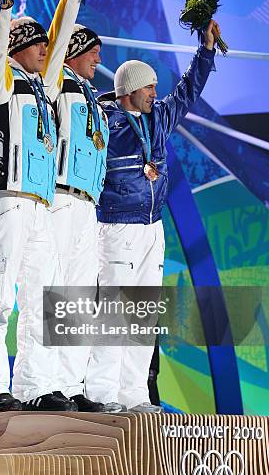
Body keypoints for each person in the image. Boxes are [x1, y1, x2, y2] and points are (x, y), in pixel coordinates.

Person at [0, 0, 94, 412]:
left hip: (41, 208)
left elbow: (62, 38)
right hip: (6, 204)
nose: (48, 48)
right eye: (37, 42)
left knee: (43, 304)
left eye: (47, 43)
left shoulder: (45, 88)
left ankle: (33, 385)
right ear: (17, 46)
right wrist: (2, 5)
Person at [85, 20, 220, 411]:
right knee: (114, 311)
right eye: (148, 87)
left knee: (143, 314)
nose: (154, 93)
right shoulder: (104, 123)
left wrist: (206, 50)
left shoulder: (159, 119)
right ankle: (103, 394)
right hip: (115, 227)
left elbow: (188, 91)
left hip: (152, 228)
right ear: (129, 90)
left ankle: (133, 394)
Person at [47, 24, 123, 412]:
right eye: (93, 50)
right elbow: (57, 39)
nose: (99, 58)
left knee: (80, 299)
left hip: (88, 205)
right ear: (74, 50)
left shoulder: (91, 95)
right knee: (57, 293)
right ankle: (45, 385)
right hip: (60, 197)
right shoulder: (58, 81)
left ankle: (71, 385)